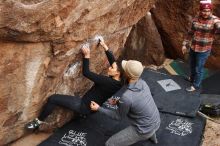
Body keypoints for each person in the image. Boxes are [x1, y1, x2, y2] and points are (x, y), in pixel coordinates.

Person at [25, 39, 123, 131]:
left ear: (118, 73)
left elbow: (86, 73)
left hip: (83, 105)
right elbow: (113, 61)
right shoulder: (119, 82)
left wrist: (87, 56)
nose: (110, 67)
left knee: (53, 99)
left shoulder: (107, 81)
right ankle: (83, 115)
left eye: (112, 68)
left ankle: (38, 121)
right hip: (92, 107)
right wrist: (104, 46)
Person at [90, 60, 161, 146]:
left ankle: (148, 135)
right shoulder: (143, 83)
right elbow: (136, 100)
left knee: (109, 143)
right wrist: (118, 102)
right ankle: (154, 140)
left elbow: (117, 116)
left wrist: (98, 108)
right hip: (156, 121)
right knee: (150, 128)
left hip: (143, 130)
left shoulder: (127, 97)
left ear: (127, 74)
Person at [182, 0, 220, 92]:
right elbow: (190, 33)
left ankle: (195, 85)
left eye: (208, 10)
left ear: (210, 11)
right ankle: (192, 78)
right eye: (204, 10)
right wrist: (184, 44)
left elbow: (218, 26)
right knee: (192, 65)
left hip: (204, 50)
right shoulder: (195, 19)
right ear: (200, 10)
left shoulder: (215, 20)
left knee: (199, 68)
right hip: (193, 47)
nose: (206, 13)